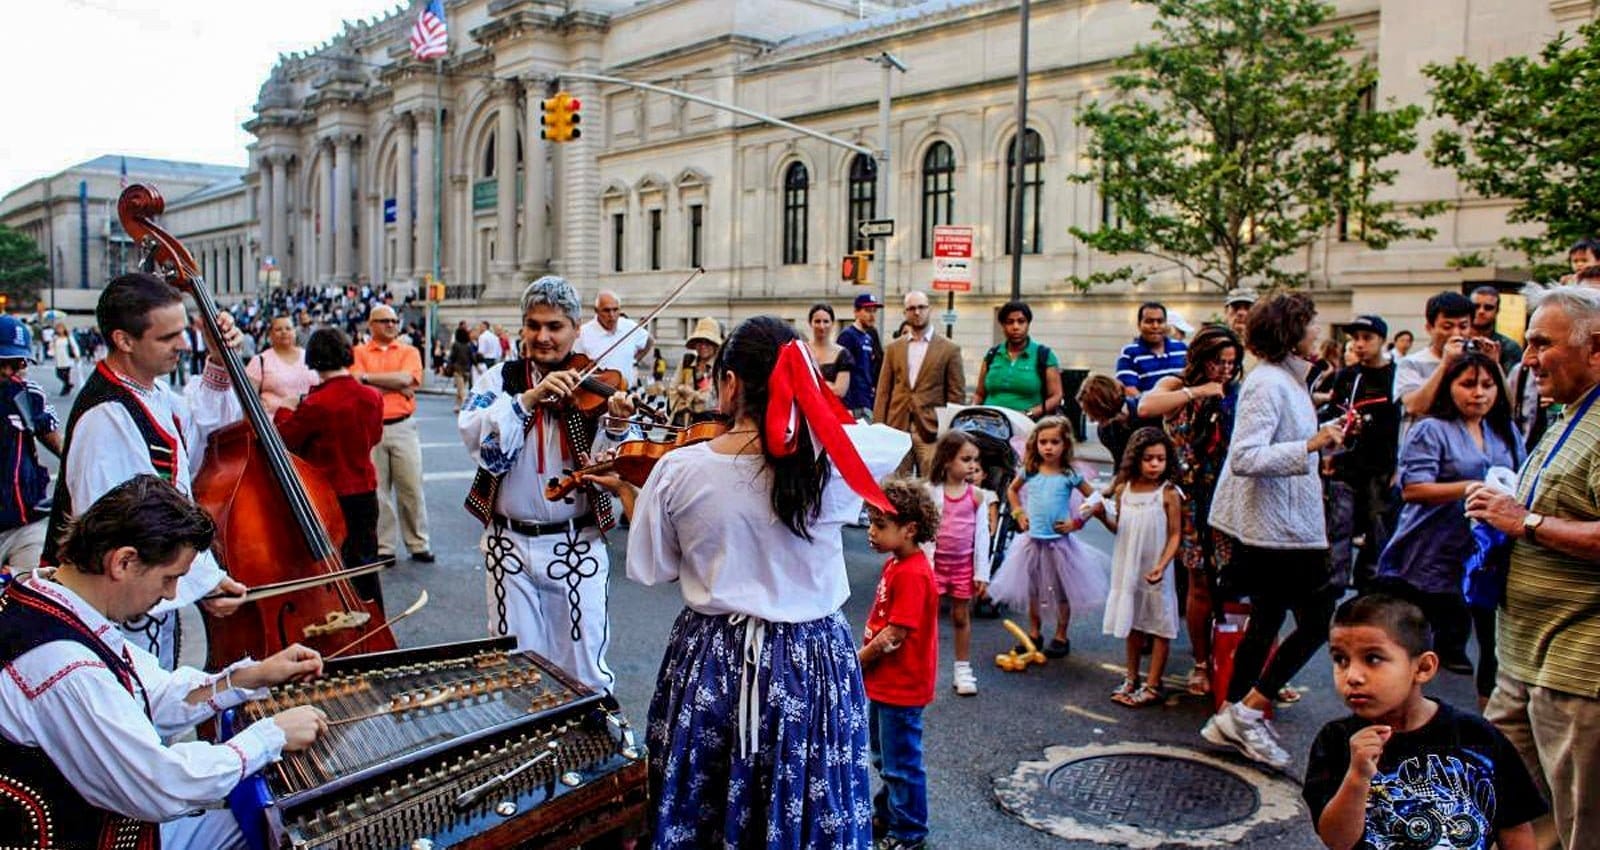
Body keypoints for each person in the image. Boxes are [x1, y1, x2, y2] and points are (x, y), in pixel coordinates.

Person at [619, 315, 908, 849]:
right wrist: (809, 410)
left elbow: (651, 567)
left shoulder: (680, 469)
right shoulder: (828, 464)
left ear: (729, 383)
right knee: (809, 799)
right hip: (810, 659)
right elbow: (892, 441)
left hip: (712, 657)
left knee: (702, 801)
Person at [0, 475, 329, 850]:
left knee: (265, 824)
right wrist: (270, 736)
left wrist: (249, 677)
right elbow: (162, 785)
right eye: (169, 578)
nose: (172, 594)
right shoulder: (63, 666)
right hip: (85, 835)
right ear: (123, 561)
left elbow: (150, 695)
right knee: (301, 833)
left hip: (106, 824)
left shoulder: (46, 596)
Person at [42, 272, 249, 669]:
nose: (182, 345)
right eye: (167, 337)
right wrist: (202, 580)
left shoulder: (148, 390)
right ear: (124, 340)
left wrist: (219, 360)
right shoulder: (107, 417)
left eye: (183, 332)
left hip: (142, 598)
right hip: (115, 607)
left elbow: (200, 427)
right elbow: (128, 527)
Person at [1464, 283, 1600, 850]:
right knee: (1511, 816)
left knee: (1577, 828)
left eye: (1542, 343)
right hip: (1523, 659)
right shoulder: (1569, 413)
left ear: (1596, 347)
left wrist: (1526, 523)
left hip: (1576, 672)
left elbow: (1536, 520)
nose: (1529, 359)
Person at [458, 276, 637, 694]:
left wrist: (616, 426)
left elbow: (611, 469)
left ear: (576, 329)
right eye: (534, 325)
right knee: (514, 669)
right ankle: (533, 756)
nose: (543, 337)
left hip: (576, 542)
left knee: (584, 662)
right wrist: (528, 399)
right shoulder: (499, 381)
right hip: (508, 544)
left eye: (555, 326)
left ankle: (591, 752)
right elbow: (483, 449)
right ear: (522, 328)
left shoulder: (596, 381)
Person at [1202, 291, 1345, 770]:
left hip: (1283, 527)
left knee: (1266, 623)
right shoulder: (1268, 383)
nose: (1318, 332)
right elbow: (1245, 458)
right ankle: (1247, 711)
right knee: (1318, 621)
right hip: (1277, 531)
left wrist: (1324, 436)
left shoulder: (1288, 379)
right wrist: (1311, 443)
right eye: (1312, 324)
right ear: (1291, 332)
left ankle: (1232, 714)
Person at [1303, 594, 1543, 850]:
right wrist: (1357, 777)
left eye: (1372, 659)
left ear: (1423, 668)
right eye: (1341, 659)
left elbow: (1515, 827)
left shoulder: (1477, 736)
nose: (1352, 676)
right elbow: (1337, 841)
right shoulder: (1336, 740)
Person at [1375, 350, 1522, 694]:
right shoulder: (1431, 429)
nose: (1479, 394)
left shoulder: (1504, 430)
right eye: (1468, 384)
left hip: (1486, 553)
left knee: (1492, 644)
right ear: (1449, 386)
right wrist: (1472, 487)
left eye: (1488, 385)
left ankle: (1490, 731)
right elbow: (1413, 489)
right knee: (1414, 647)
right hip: (1430, 550)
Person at [1135, 325, 1243, 696]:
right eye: (1219, 362)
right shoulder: (1175, 385)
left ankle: (1240, 661)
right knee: (1199, 583)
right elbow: (1146, 406)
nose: (1225, 371)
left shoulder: (1239, 393)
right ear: (1201, 360)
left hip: (1231, 497)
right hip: (1191, 499)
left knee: (1238, 584)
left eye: (1231, 363)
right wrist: (1199, 391)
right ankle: (1200, 662)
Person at [274, 328, 386, 608]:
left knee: (330, 564)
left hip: (327, 492)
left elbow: (287, 440)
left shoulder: (316, 403)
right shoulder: (372, 396)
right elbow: (374, 437)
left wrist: (285, 409)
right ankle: (374, 620)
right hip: (364, 488)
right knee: (364, 562)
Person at [859, 478, 940, 850]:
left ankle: (908, 832)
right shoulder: (897, 564)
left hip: (901, 687)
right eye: (871, 522)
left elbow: (894, 635)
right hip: (885, 683)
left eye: (880, 525)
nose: (871, 532)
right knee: (884, 756)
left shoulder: (913, 573)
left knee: (900, 763)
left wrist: (857, 661)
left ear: (909, 530)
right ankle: (888, 813)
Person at [987, 416, 1110, 658]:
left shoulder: (1069, 474)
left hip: (1060, 544)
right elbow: (1012, 490)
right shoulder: (1030, 471)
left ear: (1065, 444)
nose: (1048, 447)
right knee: (1033, 590)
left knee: (1062, 590)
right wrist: (1019, 513)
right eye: (1043, 442)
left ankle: (1061, 635)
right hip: (1032, 542)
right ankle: (1034, 632)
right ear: (1036, 444)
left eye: (1055, 442)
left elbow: (1095, 500)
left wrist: (1077, 521)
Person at [1089, 427, 1182, 708]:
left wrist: (1162, 566)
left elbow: (1176, 534)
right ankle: (1131, 678)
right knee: (1133, 624)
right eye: (1148, 458)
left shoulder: (1168, 493)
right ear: (1135, 459)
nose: (1155, 464)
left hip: (1156, 571)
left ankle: (1153, 684)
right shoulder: (1124, 490)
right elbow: (1121, 529)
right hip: (1128, 568)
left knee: (1160, 625)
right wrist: (1102, 516)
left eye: (1160, 459)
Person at [1323, 315, 1400, 592]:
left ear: (1381, 340)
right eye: (1355, 338)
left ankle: (1370, 589)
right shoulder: (1346, 377)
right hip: (1346, 466)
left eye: (1367, 338)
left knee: (1377, 534)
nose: (1359, 345)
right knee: (1339, 529)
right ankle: (1334, 587)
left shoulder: (1396, 376)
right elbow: (1332, 415)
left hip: (1381, 469)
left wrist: (1398, 467)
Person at [351, 304, 432, 563]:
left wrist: (369, 379)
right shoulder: (358, 352)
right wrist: (393, 384)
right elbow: (356, 388)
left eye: (394, 320)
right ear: (371, 325)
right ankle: (385, 546)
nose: (391, 325)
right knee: (379, 491)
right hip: (370, 428)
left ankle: (418, 542)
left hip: (402, 425)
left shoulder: (409, 351)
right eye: (384, 320)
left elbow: (408, 380)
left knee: (411, 487)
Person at [923, 430, 995, 696]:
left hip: (963, 566)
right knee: (926, 618)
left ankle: (962, 668)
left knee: (960, 616)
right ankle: (924, 666)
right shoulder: (930, 493)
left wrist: (982, 573)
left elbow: (983, 538)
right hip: (935, 566)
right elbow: (923, 534)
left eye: (975, 460)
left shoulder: (977, 496)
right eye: (966, 459)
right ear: (946, 461)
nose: (973, 465)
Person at [874, 290, 965, 475]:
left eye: (921, 307)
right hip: (897, 427)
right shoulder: (893, 348)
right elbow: (884, 391)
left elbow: (956, 395)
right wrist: (879, 428)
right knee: (896, 486)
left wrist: (950, 433)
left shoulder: (949, 349)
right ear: (905, 313)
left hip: (931, 430)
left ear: (929, 309)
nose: (917, 312)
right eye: (911, 308)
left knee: (931, 485)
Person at [0, 316, 61, 575]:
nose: (9, 372)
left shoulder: (29, 395)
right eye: (2, 363)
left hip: (25, 525)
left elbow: (63, 448)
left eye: (18, 363)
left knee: (30, 601)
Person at [1395, 291, 1480, 446]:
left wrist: (1494, 365)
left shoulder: (1477, 364)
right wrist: (1445, 364)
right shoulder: (1410, 363)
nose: (1456, 333)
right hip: (1422, 451)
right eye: (1447, 327)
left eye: (1463, 326)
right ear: (1429, 327)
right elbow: (1415, 406)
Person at [972, 300, 1062, 420]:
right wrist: (971, 410)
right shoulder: (992, 354)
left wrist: (1028, 414)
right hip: (990, 423)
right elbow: (979, 394)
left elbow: (1056, 396)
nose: (1015, 327)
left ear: (1028, 324)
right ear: (1003, 325)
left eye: (1021, 321)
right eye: (1010, 322)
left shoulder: (1044, 355)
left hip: (1027, 424)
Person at [1114, 302, 1188, 403]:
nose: (1155, 326)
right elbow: (1129, 390)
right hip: (1148, 415)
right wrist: (1156, 407)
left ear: (1166, 324)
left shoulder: (1181, 348)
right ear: (1139, 325)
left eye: (1160, 321)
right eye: (1149, 321)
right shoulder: (1129, 353)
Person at [245, 314, 319, 414]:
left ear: (295, 332)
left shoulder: (311, 356)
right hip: (274, 424)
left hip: (310, 420)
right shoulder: (260, 360)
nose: (284, 332)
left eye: (288, 328)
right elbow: (248, 399)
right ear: (270, 334)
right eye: (278, 329)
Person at [575, 289, 652, 385]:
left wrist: (635, 360)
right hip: (597, 394)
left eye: (615, 310)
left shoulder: (629, 326)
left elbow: (649, 340)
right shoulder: (583, 333)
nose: (612, 315)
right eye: (606, 310)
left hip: (626, 391)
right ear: (596, 311)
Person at [669, 317, 723, 425]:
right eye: (699, 342)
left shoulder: (720, 366)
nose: (703, 346)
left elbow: (712, 400)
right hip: (684, 422)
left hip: (709, 425)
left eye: (708, 342)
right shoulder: (687, 361)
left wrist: (688, 392)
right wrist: (695, 397)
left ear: (715, 345)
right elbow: (673, 390)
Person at [838, 292, 884, 419]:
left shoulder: (868, 337)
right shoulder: (847, 336)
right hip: (853, 404)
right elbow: (842, 370)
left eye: (874, 311)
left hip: (867, 400)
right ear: (856, 312)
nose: (872, 315)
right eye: (868, 310)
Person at [1076, 373, 1136, 468]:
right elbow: (1121, 464)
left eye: (1095, 414)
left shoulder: (1142, 412)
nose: (1091, 420)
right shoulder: (1105, 432)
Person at [1471, 286, 1525, 375]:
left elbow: (1512, 384)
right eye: (1476, 306)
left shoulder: (1510, 348)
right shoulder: (1457, 343)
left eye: (1488, 307)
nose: (1481, 311)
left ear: (1497, 311)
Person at [805, 302, 853, 399]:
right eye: (817, 321)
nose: (822, 326)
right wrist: (827, 385)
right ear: (810, 323)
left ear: (832, 323)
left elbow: (839, 391)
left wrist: (811, 386)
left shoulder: (843, 354)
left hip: (832, 411)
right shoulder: (802, 350)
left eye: (826, 321)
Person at [447, 325, 476, 412]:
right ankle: (457, 406)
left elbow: (452, 357)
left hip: (458, 368)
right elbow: (472, 357)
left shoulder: (456, 345)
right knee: (461, 388)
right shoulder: (468, 345)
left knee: (461, 389)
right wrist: (476, 365)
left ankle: (465, 405)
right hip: (467, 369)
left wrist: (449, 365)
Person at [50, 322, 78, 396]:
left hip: (67, 358)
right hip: (59, 358)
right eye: (58, 328)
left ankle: (65, 389)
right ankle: (68, 384)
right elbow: (52, 347)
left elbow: (74, 346)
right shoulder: (55, 338)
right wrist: (51, 353)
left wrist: (77, 355)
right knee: (59, 374)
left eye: (61, 328)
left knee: (66, 374)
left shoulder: (69, 337)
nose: (60, 330)